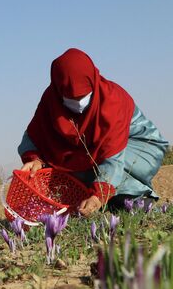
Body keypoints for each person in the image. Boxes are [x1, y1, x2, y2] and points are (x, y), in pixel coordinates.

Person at [18, 48, 169, 216]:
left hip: (139, 147)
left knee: (101, 166)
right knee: (72, 169)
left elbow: (113, 159)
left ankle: (134, 197)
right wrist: (35, 159)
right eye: (71, 99)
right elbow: (33, 135)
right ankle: (111, 201)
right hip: (91, 154)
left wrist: (98, 196)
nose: (78, 103)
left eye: (82, 96)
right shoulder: (51, 100)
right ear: (59, 92)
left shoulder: (112, 100)